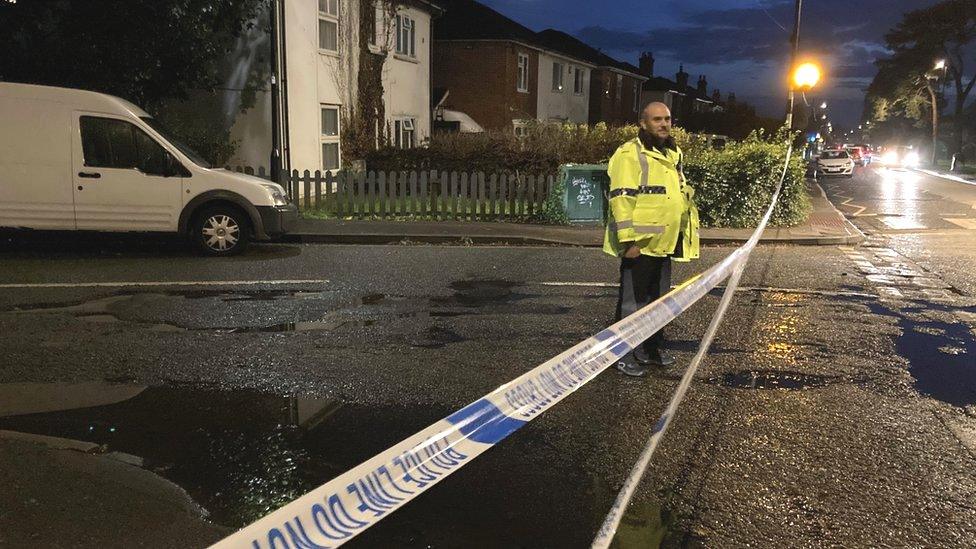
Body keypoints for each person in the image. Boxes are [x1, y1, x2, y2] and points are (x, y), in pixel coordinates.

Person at [604, 102, 700, 377]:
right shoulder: (629, 154)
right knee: (632, 304)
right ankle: (622, 355)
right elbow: (621, 199)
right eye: (657, 119)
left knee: (657, 302)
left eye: (668, 119)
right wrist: (628, 242)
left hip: (665, 242)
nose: (663, 124)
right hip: (640, 244)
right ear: (643, 124)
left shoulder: (672, 153)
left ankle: (649, 350)